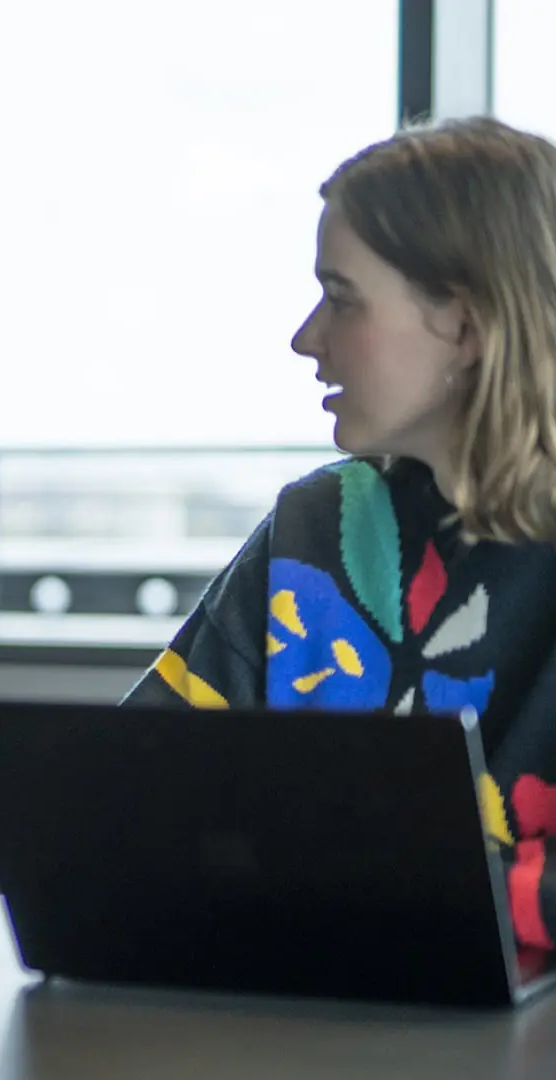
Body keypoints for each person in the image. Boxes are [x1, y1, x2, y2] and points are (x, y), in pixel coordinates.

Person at [125, 118, 556, 968]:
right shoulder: (316, 523)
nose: (307, 337)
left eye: (343, 297)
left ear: (466, 328)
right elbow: (136, 799)